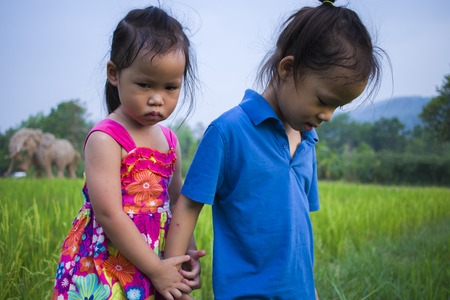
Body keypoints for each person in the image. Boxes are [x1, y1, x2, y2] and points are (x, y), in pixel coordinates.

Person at [165, 0, 385, 299]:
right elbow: (188, 206)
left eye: (337, 107)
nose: (328, 115)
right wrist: (171, 276)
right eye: (323, 100)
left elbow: (298, 233)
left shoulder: (308, 142)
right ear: (288, 68)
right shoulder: (228, 133)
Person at [52, 6, 205, 300]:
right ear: (114, 74)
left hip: (157, 257)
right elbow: (109, 213)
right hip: (109, 262)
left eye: (170, 87)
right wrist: (157, 270)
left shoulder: (171, 141)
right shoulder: (106, 138)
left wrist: (185, 256)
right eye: (144, 84)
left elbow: (177, 202)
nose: (157, 99)